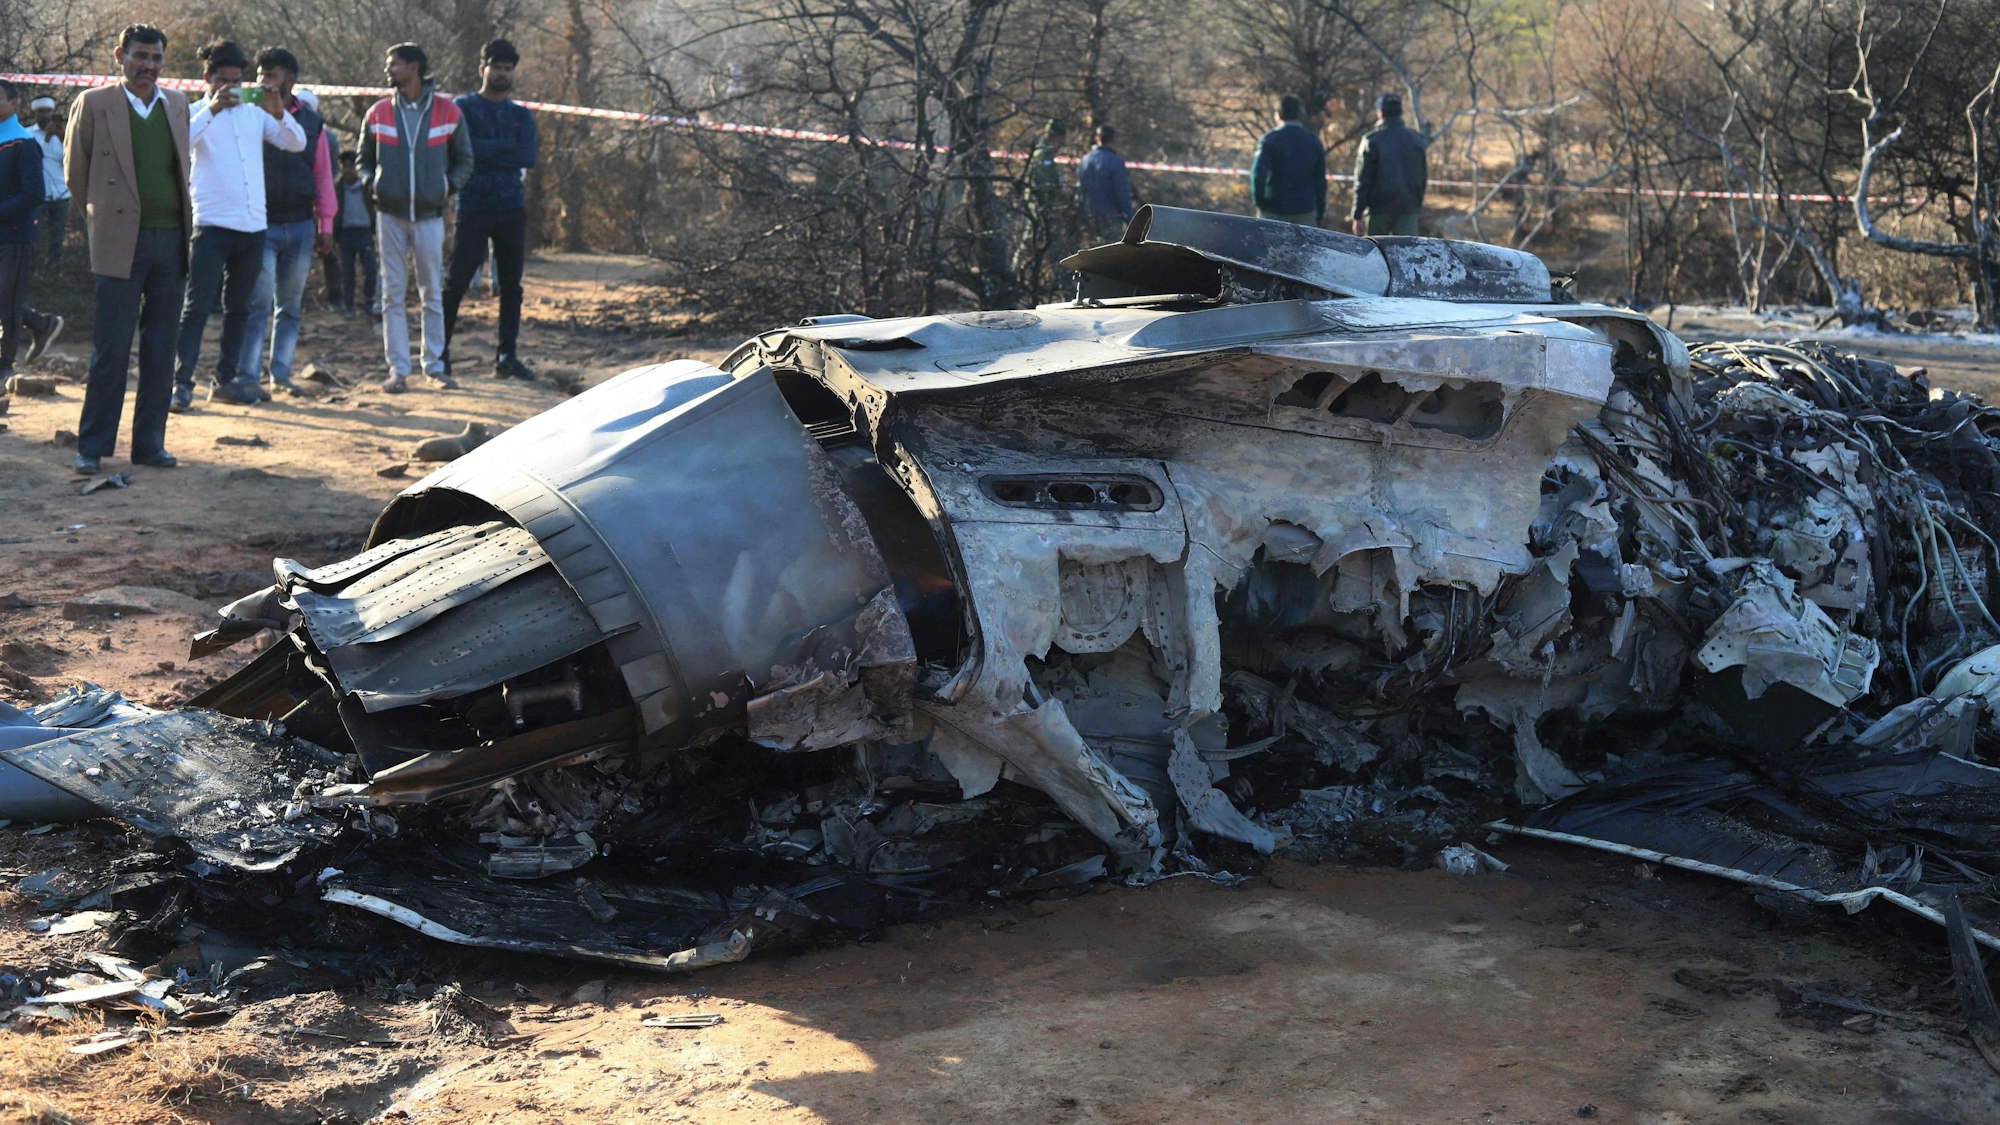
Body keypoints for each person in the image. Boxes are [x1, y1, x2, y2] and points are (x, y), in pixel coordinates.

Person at [66, 25, 193, 474]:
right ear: (120, 56)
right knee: (111, 350)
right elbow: (75, 174)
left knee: (161, 350)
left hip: (171, 242)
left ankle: (150, 445)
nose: (149, 66)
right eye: (140, 56)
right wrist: (104, 223)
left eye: (156, 58)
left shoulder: (177, 104)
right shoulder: (94, 104)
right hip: (119, 243)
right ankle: (92, 446)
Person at [171, 39, 305, 411]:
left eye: (236, 82)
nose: (230, 88)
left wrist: (278, 111)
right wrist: (213, 108)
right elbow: (180, 145)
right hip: (211, 224)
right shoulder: (195, 111)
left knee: (239, 309)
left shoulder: (254, 112)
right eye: (222, 81)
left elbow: (296, 143)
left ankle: (225, 381)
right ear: (207, 78)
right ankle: (181, 384)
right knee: (196, 308)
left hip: (252, 226)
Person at [360, 42, 472, 393]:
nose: (388, 70)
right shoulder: (378, 112)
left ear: (414, 67)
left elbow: (465, 159)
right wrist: (372, 183)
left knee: (431, 292)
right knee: (392, 293)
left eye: (394, 64)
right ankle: (398, 370)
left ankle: (434, 367)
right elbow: (364, 160)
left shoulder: (448, 111)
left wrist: (445, 187)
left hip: (429, 216)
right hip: (389, 214)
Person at [240, 49, 337, 398]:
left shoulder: (311, 122)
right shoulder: (247, 112)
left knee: (290, 307)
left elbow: (323, 174)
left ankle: (280, 375)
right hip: (258, 224)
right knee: (257, 305)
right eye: (260, 75)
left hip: (300, 225)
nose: (263, 82)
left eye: (272, 75)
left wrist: (326, 225)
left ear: (290, 80)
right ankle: (248, 378)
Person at [443, 38, 539, 381]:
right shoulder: (462, 108)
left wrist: (485, 151)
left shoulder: (520, 115)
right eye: (497, 67)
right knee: (455, 283)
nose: (502, 74)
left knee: (511, 287)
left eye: (507, 69)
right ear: (482, 69)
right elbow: (459, 151)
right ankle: (439, 355)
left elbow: (527, 156)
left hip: (511, 206)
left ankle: (506, 356)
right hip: (473, 206)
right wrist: (502, 150)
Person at [0, 80, 63, 385]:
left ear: (14, 103)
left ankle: (5, 366)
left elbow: (34, 193)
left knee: (7, 300)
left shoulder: (23, 143)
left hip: (15, 236)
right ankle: (41, 324)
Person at [1349, 92, 1427, 237]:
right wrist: (1416, 207)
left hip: (1378, 211)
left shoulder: (1371, 140)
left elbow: (1362, 180)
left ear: (1381, 112)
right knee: (1407, 251)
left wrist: (1357, 214)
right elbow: (1422, 179)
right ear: (1401, 112)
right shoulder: (1417, 140)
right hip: (1408, 209)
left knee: (1376, 249)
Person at [1250, 94, 1326, 227]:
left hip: (1273, 210)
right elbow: (1320, 181)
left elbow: (1258, 175)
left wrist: (1260, 203)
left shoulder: (1268, 140)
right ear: (1299, 114)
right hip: (1306, 211)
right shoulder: (1314, 141)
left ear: (1278, 114)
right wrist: (1320, 213)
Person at [1011, 117, 1068, 277]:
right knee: (1037, 241)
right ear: (1055, 136)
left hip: (1039, 206)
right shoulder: (1043, 154)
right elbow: (1043, 183)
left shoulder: (1045, 153)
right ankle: (1015, 273)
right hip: (1039, 206)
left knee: (1032, 240)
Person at [25, 95, 70, 266]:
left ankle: (54, 269)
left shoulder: (65, 135)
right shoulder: (27, 134)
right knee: (35, 234)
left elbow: (72, 161)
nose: (45, 115)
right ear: (34, 113)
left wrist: (62, 137)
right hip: (38, 195)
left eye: (48, 111)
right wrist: (47, 139)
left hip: (61, 193)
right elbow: (34, 160)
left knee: (58, 236)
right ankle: (33, 268)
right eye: (41, 111)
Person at [334, 149, 378, 320]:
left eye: (351, 166)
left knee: (370, 270)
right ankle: (348, 305)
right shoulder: (337, 188)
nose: (348, 170)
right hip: (345, 234)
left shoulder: (367, 186)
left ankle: (369, 302)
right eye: (344, 166)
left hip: (364, 232)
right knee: (347, 273)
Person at [1075, 124, 1133, 243]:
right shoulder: (1116, 162)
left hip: (1088, 214)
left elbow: (1080, 189)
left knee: (1091, 248)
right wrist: (1129, 217)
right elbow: (1121, 192)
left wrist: (1079, 211)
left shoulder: (1085, 160)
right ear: (1113, 140)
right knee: (1109, 249)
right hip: (1110, 215)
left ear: (1097, 138)